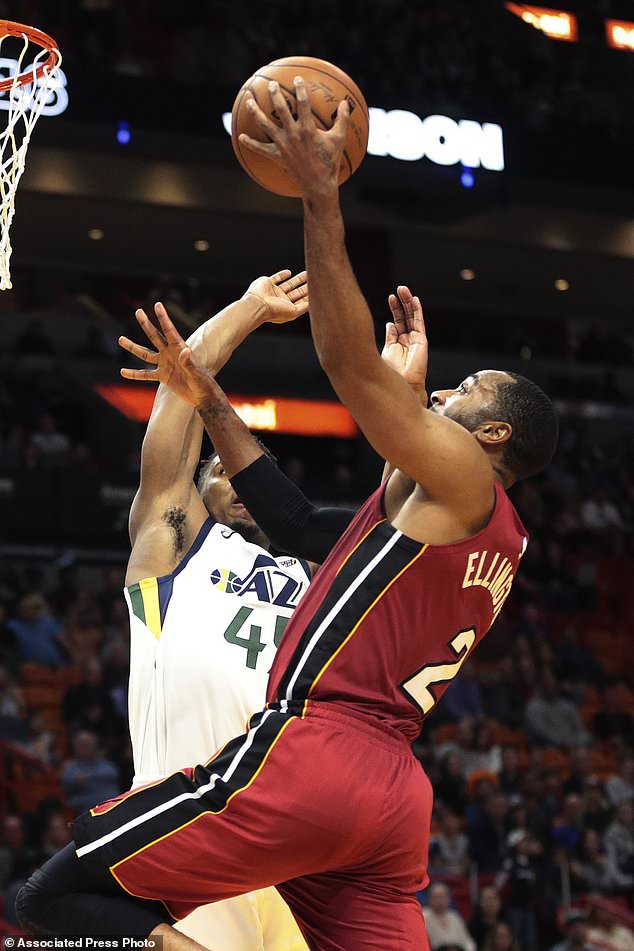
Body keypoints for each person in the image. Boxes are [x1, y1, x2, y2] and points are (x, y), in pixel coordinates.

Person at [17, 77, 558, 950]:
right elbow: (302, 518)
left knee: (49, 899)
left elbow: (347, 368)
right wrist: (218, 395)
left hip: (302, 767)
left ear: (493, 433)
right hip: (377, 796)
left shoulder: (469, 480)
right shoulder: (463, 534)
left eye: (465, 392)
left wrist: (320, 199)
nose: (449, 390)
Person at [121, 272, 317, 949]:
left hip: (295, 844)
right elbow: (177, 400)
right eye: (215, 473)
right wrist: (249, 310)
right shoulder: (173, 544)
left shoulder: (315, 576)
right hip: (186, 823)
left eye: (245, 469)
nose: (234, 481)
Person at [422, 882, 476, 951]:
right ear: (429, 898)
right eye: (437, 896)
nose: (440, 900)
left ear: (448, 898)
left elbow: (468, 942)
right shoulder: (423, 916)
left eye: (443, 896)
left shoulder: (454, 916)